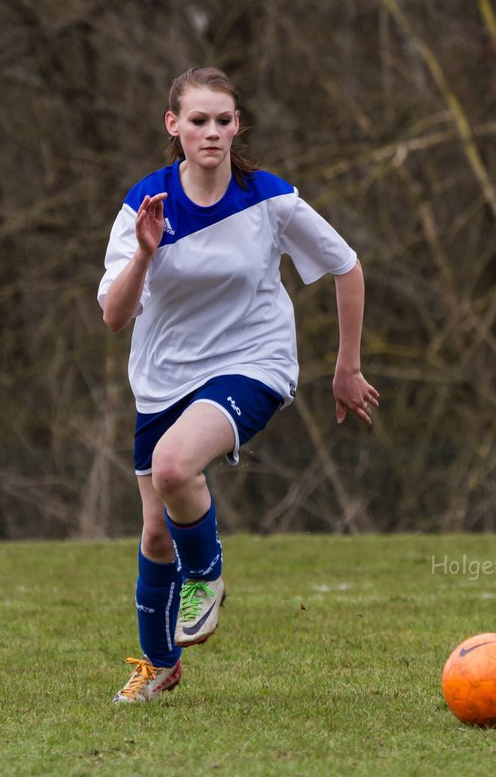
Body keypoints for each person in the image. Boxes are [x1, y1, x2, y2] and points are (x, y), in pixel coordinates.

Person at [97, 66, 378, 704]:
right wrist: (144, 252)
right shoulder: (147, 204)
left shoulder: (269, 199)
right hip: (161, 378)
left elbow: (347, 266)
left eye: (224, 120)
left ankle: (208, 574)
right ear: (173, 126)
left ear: (237, 125)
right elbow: (114, 318)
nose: (213, 132)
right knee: (154, 532)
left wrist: (347, 365)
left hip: (254, 362)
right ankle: (160, 665)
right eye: (198, 120)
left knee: (174, 468)